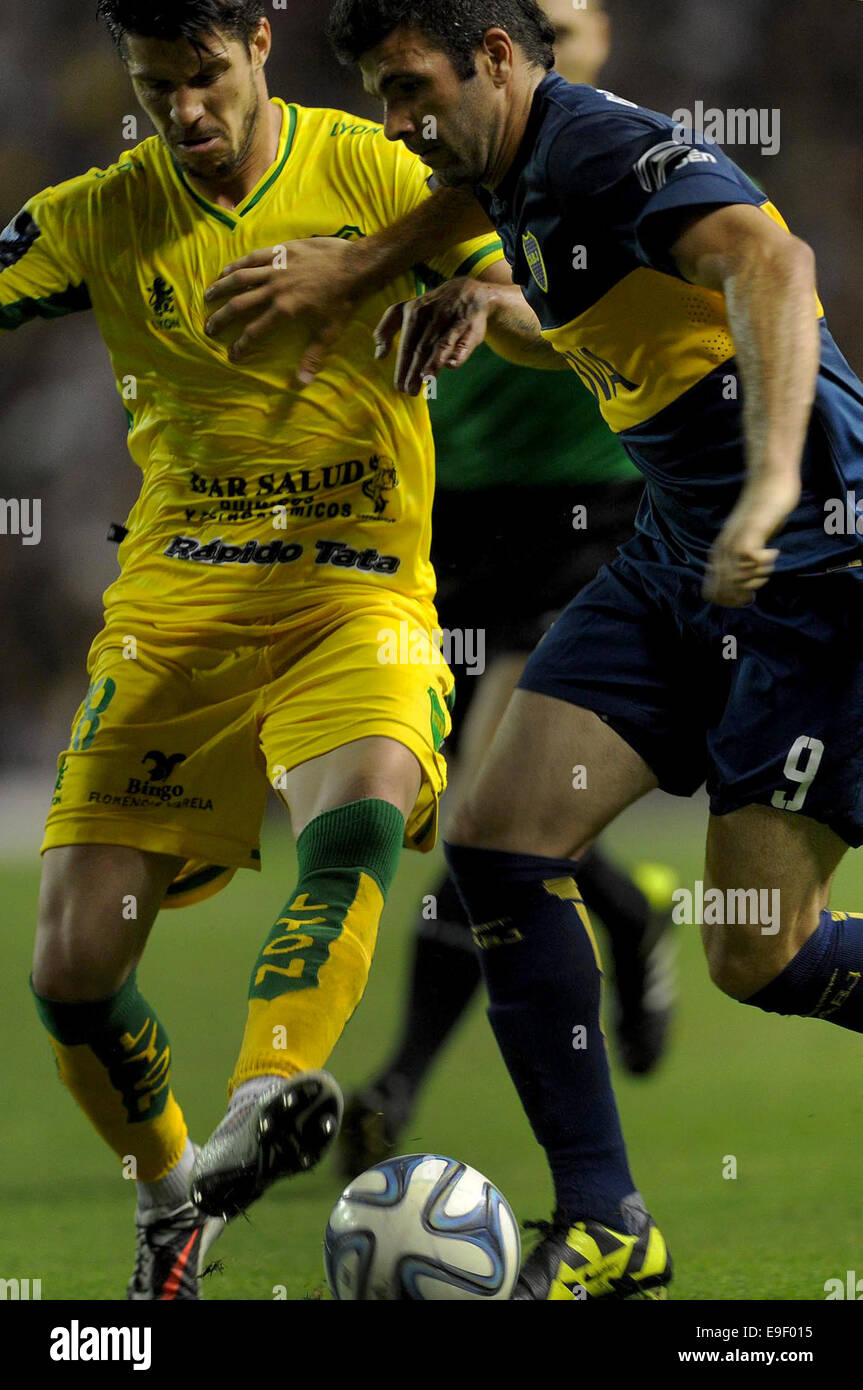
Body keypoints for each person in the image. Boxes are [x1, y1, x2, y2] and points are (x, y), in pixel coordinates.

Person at [2, 0, 556, 1300]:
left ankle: (269, 1086)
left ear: (258, 40)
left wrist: (475, 294)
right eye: (151, 88)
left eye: (199, 76)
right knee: (72, 965)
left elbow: (531, 250)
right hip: (176, 615)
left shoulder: (368, 167)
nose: (181, 112)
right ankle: (168, 1200)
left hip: (352, 587)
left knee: (359, 803)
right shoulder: (96, 214)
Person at [318, 0, 863, 1299]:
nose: (395, 122)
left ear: (497, 61)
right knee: (499, 841)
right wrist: (481, 307)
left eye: (407, 90)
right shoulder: (507, 180)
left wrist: (773, 477)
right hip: (677, 553)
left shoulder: (595, 146)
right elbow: (598, 316)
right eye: (379, 98)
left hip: (808, 568)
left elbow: (771, 269)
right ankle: (605, 1220)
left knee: (758, 955)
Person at [336, 0, 678, 1182]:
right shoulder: (443, 157)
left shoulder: (618, 154)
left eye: (565, 20)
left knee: (489, 804)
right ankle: (629, 912)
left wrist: (492, 305)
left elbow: (585, 313)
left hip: (591, 514)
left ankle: (401, 1079)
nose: (549, 35)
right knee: (463, 813)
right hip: (454, 518)